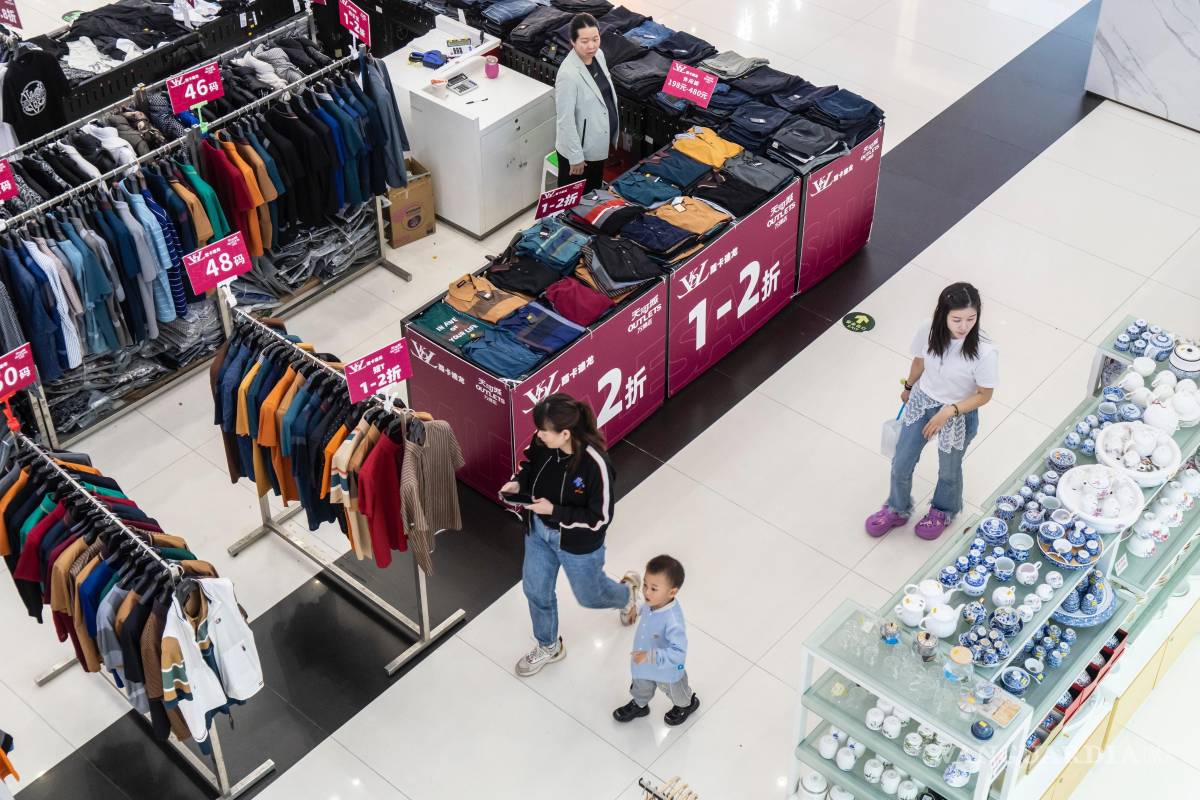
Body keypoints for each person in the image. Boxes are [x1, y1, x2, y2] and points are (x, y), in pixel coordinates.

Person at [501, 393, 640, 677]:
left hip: (578, 544)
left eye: (544, 431)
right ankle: (548, 645)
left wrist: (555, 511)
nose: (538, 435)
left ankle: (625, 594)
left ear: (565, 434)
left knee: (591, 596)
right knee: (535, 590)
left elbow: (600, 518)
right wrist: (518, 484)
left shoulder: (594, 464)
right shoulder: (543, 442)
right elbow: (530, 466)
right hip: (538, 533)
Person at [865, 282, 998, 541]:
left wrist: (950, 411)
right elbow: (919, 361)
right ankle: (897, 508)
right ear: (942, 314)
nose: (964, 326)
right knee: (901, 462)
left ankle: (944, 510)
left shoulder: (985, 351)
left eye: (971, 319)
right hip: (923, 401)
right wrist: (909, 386)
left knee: (949, 470)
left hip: (957, 414)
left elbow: (984, 395)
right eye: (957, 319)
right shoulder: (928, 329)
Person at [612, 554, 700, 726]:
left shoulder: (673, 621)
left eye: (653, 588)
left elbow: (678, 653)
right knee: (640, 685)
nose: (646, 591)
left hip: (667, 669)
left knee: (677, 693)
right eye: (645, 584)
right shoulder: (653, 602)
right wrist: (635, 610)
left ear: (672, 592)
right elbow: (644, 606)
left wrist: (649, 656)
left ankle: (687, 705)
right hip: (643, 661)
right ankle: (639, 704)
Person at [554, 13, 619, 192]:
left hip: (597, 143)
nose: (591, 46)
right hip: (580, 153)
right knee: (574, 203)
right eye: (584, 41)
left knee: (593, 195)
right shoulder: (568, 74)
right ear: (573, 42)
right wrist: (575, 156)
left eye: (595, 39)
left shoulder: (599, 55)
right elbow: (565, 120)